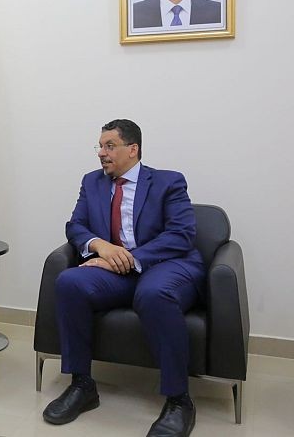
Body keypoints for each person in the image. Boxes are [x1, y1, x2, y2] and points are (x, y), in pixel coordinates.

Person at [42, 119, 204, 437]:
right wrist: (100, 246)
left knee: (153, 294)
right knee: (69, 282)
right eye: (100, 146)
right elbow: (76, 226)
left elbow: (181, 234)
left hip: (165, 265)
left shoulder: (168, 181)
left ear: (133, 149)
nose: (101, 153)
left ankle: (179, 400)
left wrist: (130, 259)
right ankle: (82, 385)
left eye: (110, 146)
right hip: (115, 270)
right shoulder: (92, 182)